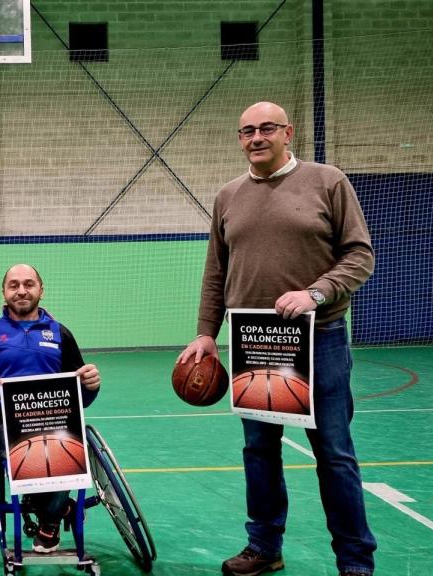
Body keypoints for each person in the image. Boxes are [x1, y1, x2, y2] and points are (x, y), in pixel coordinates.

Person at [177, 102, 377, 576]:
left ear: (288, 133)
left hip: (319, 338)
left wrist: (316, 293)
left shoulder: (328, 182)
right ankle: (264, 547)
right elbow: (216, 272)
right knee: (259, 452)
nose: (256, 137)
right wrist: (206, 333)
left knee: (334, 454)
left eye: (267, 128)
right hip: (254, 343)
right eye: (247, 131)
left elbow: (360, 255)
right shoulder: (228, 196)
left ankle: (355, 561)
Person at [0, 263, 101, 554]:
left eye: (29, 284)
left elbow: (82, 398)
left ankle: (49, 523)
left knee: (67, 455)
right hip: (10, 425)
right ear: (3, 292)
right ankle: (60, 509)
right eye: (13, 285)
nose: (22, 291)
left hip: (57, 423)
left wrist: (90, 385)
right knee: (28, 460)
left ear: (41, 290)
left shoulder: (61, 333)